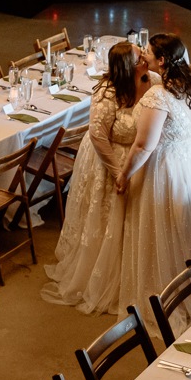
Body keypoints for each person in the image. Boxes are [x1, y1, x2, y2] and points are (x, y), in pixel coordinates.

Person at [116, 32, 191, 332]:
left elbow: (143, 146)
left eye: (148, 52)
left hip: (168, 169)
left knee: (168, 229)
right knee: (189, 228)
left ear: (162, 61)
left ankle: (168, 291)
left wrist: (124, 175)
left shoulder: (157, 96)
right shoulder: (190, 84)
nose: (142, 53)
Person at [41, 41, 158, 315]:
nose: (144, 59)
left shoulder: (151, 79)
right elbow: (98, 136)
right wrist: (119, 172)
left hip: (141, 157)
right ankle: (107, 274)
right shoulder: (107, 92)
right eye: (139, 57)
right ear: (126, 67)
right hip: (109, 159)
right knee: (110, 219)